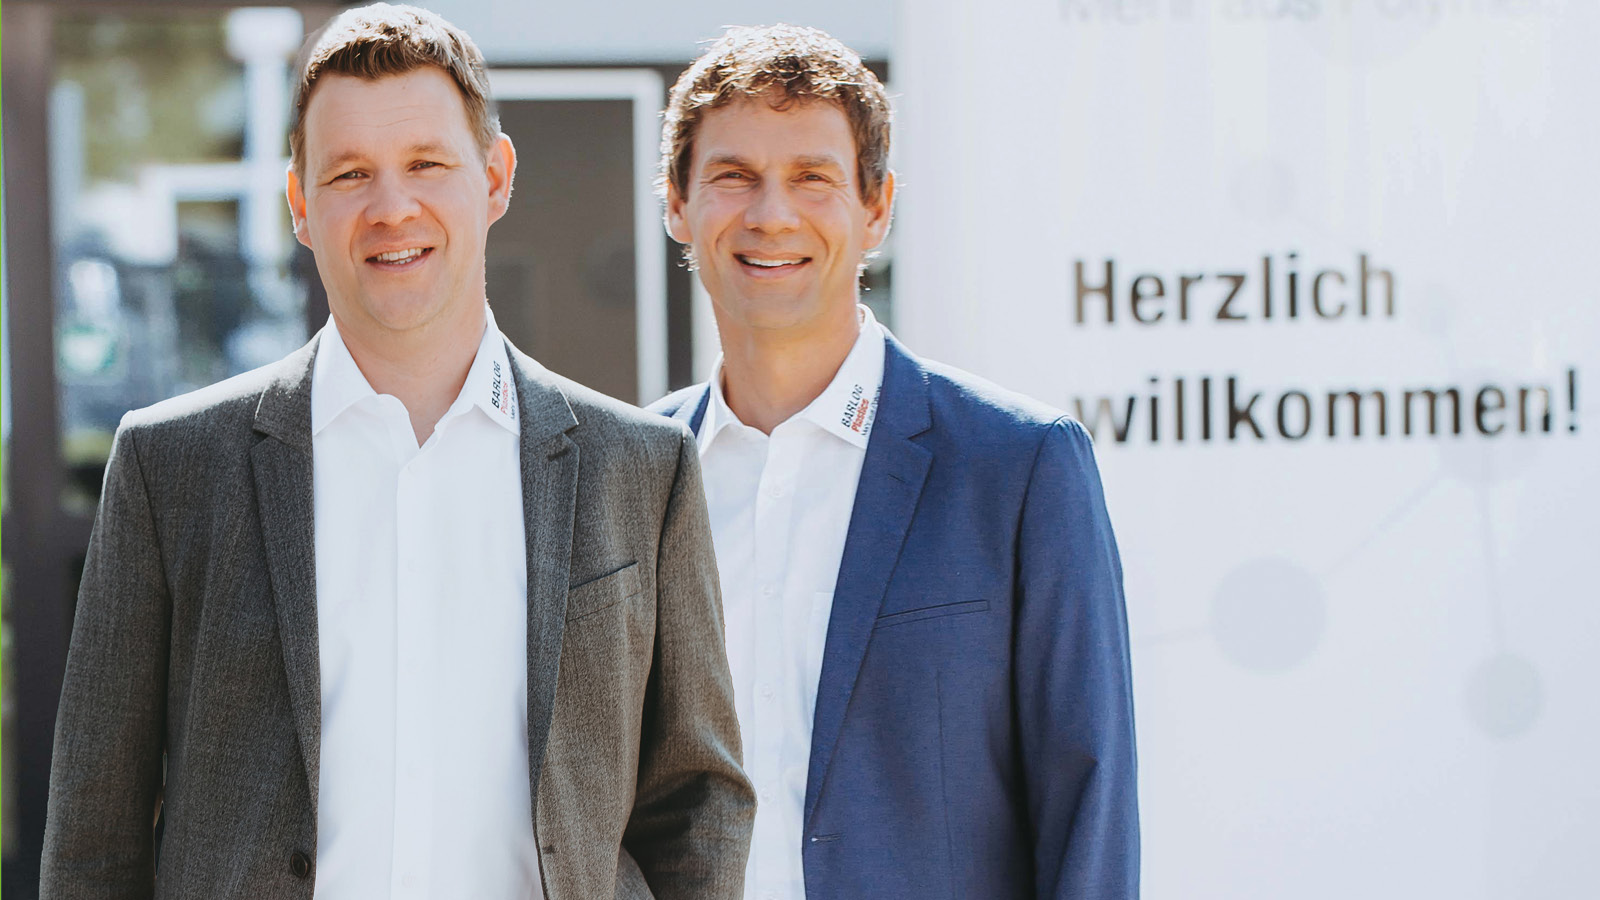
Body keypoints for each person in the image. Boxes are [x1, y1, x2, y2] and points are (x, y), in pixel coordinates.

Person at [42, 6, 753, 899]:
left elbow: (696, 801)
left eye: (426, 164)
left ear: (494, 177)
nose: (391, 208)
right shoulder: (170, 468)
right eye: (350, 174)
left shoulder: (643, 470)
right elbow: (94, 835)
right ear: (300, 203)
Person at [650, 24, 1139, 899]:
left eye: (813, 177)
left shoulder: (1018, 468)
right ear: (677, 205)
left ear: (876, 207)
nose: (771, 214)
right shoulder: (631, 475)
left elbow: (1088, 805)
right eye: (734, 176)